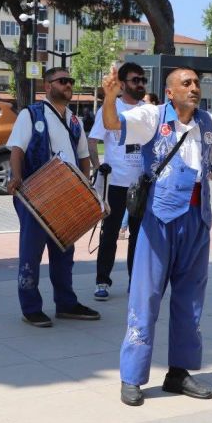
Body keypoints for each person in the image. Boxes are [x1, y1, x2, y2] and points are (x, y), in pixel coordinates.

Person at [100, 66, 212, 406]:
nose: (194, 87)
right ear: (170, 92)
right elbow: (113, 125)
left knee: (191, 301)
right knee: (146, 297)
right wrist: (110, 97)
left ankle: (179, 372)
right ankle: (132, 376)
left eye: (197, 82)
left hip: (197, 220)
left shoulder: (210, 124)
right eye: (186, 83)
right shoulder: (151, 116)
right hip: (159, 219)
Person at [6, 67, 101, 327]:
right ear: (48, 86)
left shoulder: (74, 120)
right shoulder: (30, 114)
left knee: (64, 253)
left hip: (67, 196)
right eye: (63, 81)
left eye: (70, 80)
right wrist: (15, 177)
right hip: (36, 194)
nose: (69, 84)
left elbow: (84, 157)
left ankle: (66, 303)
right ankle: (31, 307)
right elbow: (17, 150)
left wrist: (84, 188)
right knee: (30, 253)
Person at [87, 62, 147, 300]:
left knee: (139, 237)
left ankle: (136, 282)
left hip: (141, 185)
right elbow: (93, 141)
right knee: (109, 234)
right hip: (115, 184)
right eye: (135, 80)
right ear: (122, 84)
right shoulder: (111, 107)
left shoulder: (148, 110)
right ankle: (102, 281)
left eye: (143, 79)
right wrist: (97, 165)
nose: (140, 84)